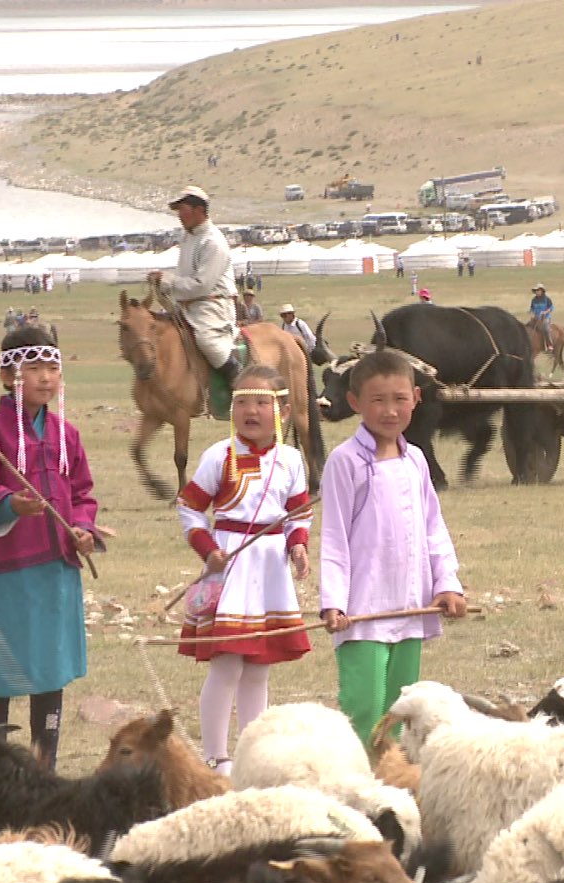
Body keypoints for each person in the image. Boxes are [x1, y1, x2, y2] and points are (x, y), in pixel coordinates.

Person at [0, 324, 101, 772]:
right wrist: (9, 505)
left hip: (55, 571)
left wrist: (83, 528)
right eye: (34, 367)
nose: (45, 377)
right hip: (6, 573)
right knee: (0, 675)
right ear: (8, 377)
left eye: (52, 367)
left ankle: (44, 768)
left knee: (50, 670)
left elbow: (82, 493)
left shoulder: (66, 434)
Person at [320, 350, 467, 744]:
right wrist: (334, 601)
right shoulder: (344, 461)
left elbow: (433, 528)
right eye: (378, 400)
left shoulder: (416, 460)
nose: (389, 411)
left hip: (410, 606)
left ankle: (393, 790)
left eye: (400, 399)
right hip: (362, 611)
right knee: (364, 709)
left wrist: (447, 584)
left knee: (401, 712)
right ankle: (358, 788)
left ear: (416, 399)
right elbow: (333, 536)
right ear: (354, 403)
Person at [176, 365, 313, 773]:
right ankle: (216, 755)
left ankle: (253, 754)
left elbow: (298, 513)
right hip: (231, 566)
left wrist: (299, 547)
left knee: (259, 665)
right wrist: (207, 549)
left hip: (270, 569)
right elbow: (190, 507)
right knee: (228, 662)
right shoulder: (219, 456)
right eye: (241, 403)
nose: (250, 411)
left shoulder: (291, 459)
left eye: (260, 402)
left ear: (283, 411)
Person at [149, 186, 241, 411]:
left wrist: (169, 281)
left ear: (199, 210)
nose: (179, 215)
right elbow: (186, 278)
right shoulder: (189, 238)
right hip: (188, 304)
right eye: (178, 210)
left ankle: (240, 381)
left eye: (183, 209)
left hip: (212, 305)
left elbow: (202, 285)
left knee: (208, 342)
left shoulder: (213, 242)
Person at [529, 284, 554, 352]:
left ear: (542, 291)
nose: (537, 292)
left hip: (545, 318)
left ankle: (549, 345)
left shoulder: (547, 299)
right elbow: (532, 308)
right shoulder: (534, 300)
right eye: (536, 291)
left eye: (538, 290)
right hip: (536, 318)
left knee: (546, 328)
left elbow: (551, 308)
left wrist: (545, 312)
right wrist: (531, 313)